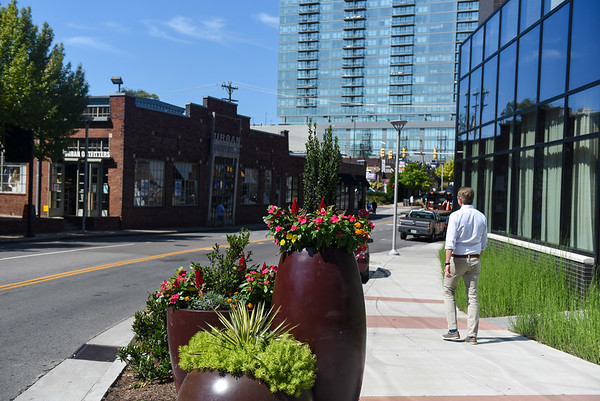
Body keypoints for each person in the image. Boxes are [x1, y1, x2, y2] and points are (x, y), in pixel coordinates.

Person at [442, 187, 487, 345]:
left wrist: (447, 263)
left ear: (459, 200)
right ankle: (472, 335)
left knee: (448, 290)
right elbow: (483, 244)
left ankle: (453, 330)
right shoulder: (481, 217)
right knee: (472, 297)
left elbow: (450, 242)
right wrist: (475, 258)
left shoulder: (455, 216)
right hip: (475, 259)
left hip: (457, 259)